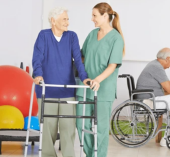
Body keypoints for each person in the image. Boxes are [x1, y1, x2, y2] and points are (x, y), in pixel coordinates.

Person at [32, 7, 92, 157]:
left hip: (67, 91)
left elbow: (78, 60)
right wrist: (38, 75)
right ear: (53, 21)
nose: (68, 22)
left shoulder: (72, 36)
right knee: (47, 129)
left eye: (67, 19)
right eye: (64, 19)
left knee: (68, 129)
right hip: (47, 90)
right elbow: (37, 58)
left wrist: (84, 77)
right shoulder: (43, 36)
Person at [75, 2, 124, 157]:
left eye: (94, 15)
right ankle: (91, 154)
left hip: (104, 89)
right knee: (81, 123)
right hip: (85, 88)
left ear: (105, 16)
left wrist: (98, 80)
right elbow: (81, 56)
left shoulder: (116, 38)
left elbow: (113, 65)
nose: (92, 19)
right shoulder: (92, 34)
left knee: (101, 128)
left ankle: (100, 155)